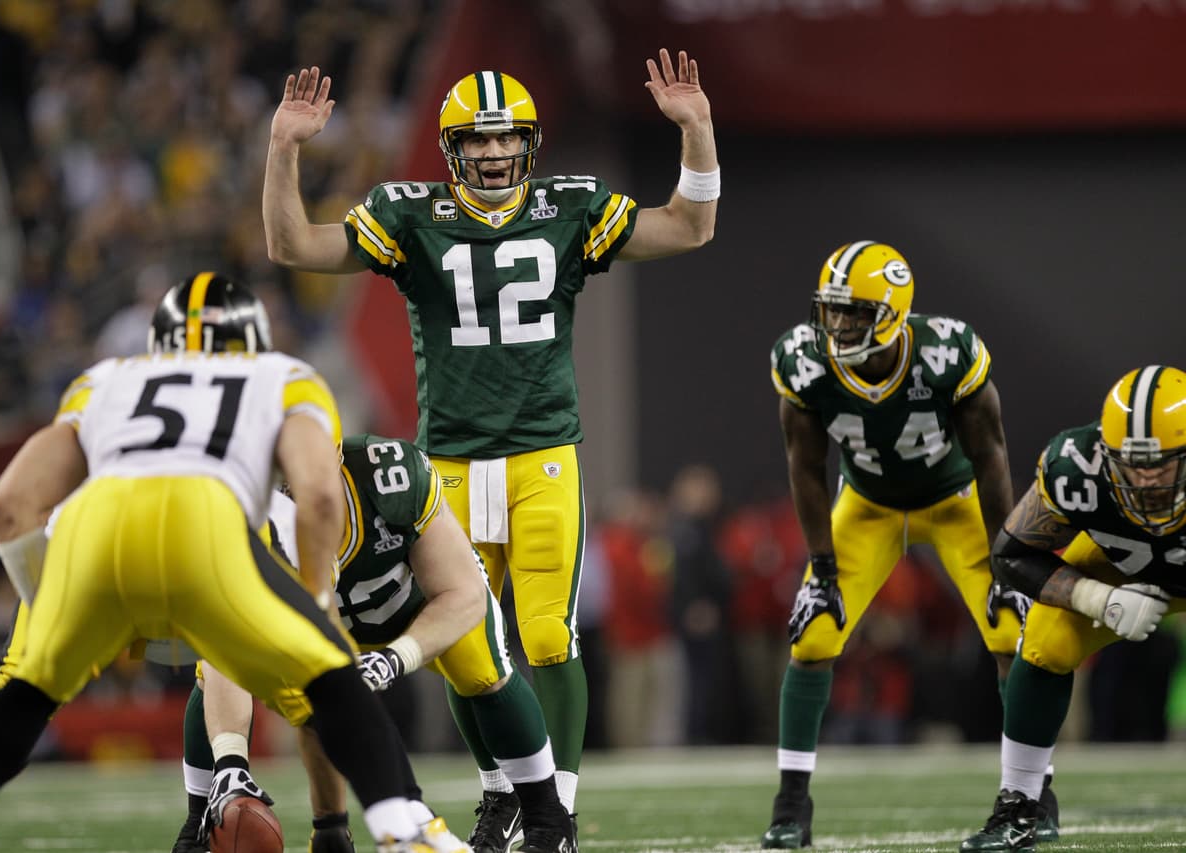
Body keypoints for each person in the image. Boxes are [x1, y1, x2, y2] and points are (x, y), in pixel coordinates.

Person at [261, 49, 718, 843]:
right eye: (477, 141)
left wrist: (698, 131)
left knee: (546, 635)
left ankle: (558, 811)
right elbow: (295, 248)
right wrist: (284, 148)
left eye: (507, 139)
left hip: (543, 453)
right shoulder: (412, 216)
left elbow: (690, 224)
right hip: (448, 463)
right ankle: (500, 790)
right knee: (465, 645)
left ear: (530, 144)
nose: (495, 152)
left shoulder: (569, 207)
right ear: (452, 151)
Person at [0, 273, 469, 853]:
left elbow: (8, 506)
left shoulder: (105, 379)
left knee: (19, 691)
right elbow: (322, 495)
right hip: (206, 523)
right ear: (254, 338)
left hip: (92, 530)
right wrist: (319, 606)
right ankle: (401, 828)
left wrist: (52, 609)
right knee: (331, 678)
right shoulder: (282, 378)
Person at [171, 435, 578, 853]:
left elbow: (463, 594)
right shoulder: (246, 517)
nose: (303, 491)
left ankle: (548, 819)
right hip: (318, 623)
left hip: (415, 607)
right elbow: (224, 654)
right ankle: (200, 820)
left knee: (480, 666)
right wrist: (231, 764)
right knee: (255, 675)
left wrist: (396, 658)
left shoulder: (389, 477)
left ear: (336, 456)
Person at [762, 241, 1036, 849]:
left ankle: (1034, 796)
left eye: (854, 312)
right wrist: (822, 565)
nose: (838, 325)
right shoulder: (804, 362)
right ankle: (791, 807)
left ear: (891, 312)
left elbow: (991, 459)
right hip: (868, 505)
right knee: (813, 634)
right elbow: (805, 468)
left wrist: (1006, 562)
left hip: (954, 498)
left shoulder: (944, 353)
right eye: (831, 310)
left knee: (1013, 633)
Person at [959, 365, 1186, 852]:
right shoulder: (1075, 467)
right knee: (1044, 641)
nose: (1144, 480)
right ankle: (1022, 805)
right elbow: (1010, 555)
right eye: (1130, 463)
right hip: (1120, 565)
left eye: (1160, 464)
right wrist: (1095, 598)